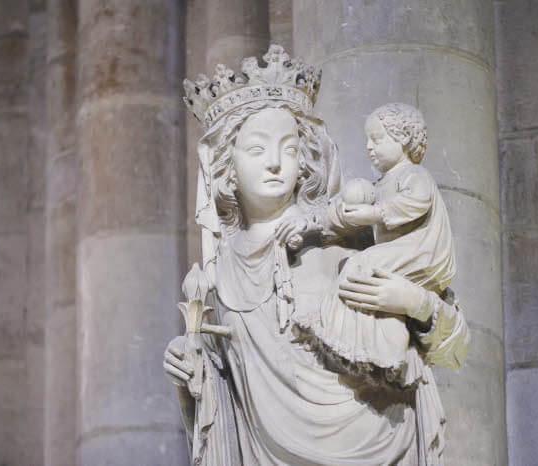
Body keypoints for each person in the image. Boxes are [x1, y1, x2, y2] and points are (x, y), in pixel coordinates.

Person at [162, 45, 470, 465]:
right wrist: (189, 369)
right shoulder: (218, 276)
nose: (275, 164)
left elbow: (456, 348)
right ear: (226, 168)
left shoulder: (344, 236)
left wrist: (415, 302)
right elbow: (222, 402)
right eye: (257, 150)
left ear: (305, 160)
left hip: (382, 439)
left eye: (289, 149)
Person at [290, 103, 456, 387]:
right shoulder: (381, 183)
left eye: (377, 139)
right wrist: (311, 222)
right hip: (401, 254)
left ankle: (347, 342)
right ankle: (361, 346)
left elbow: (415, 202)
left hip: (420, 251)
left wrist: (375, 213)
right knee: (364, 276)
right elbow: (343, 215)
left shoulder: (414, 175)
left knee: (359, 265)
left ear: (403, 139)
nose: (368, 147)